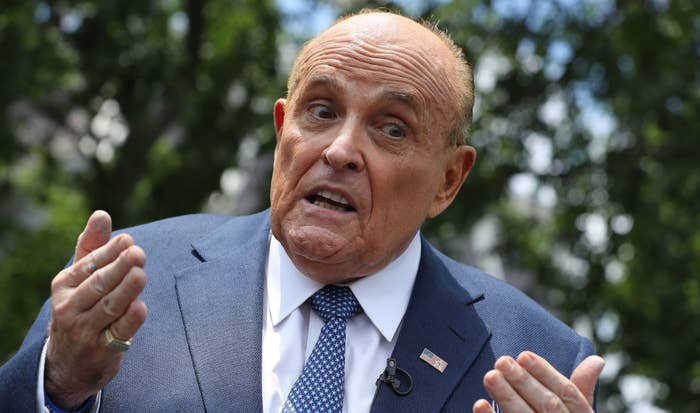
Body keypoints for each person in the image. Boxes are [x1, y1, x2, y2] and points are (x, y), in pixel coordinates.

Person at [0, 10, 604, 413]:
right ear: (282, 128)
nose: (340, 150)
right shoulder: (127, 280)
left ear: (449, 180)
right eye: (321, 111)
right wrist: (59, 386)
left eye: (392, 128)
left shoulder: (538, 361)